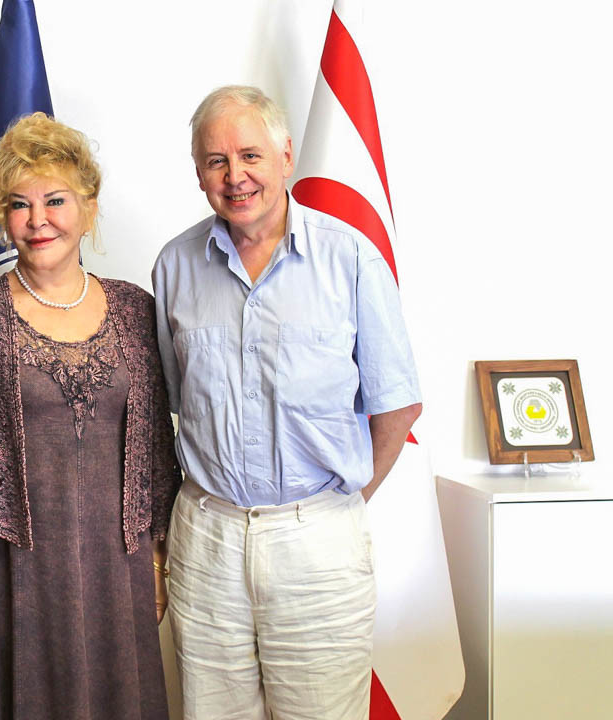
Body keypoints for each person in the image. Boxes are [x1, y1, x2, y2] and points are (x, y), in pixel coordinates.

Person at [152, 85, 423, 719]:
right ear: (198, 173)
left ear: (286, 156)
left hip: (318, 544)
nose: (236, 175)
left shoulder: (350, 258)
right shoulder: (173, 266)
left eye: (250, 154)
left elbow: (397, 406)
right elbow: (167, 405)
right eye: (216, 161)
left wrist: (340, 504)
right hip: (208, 540)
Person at [0, 112, 181, 720]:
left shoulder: (137, 310)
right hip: (10, 573)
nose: (38, 221)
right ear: (0, 217)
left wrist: (160, 558)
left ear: (88, 208)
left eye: (55, 200)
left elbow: (159, 455)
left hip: (120, 570)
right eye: (18, 204)